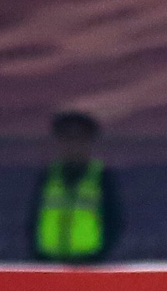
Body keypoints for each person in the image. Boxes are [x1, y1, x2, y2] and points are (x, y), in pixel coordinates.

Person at [29, 110, 124, 263]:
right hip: (49, 262)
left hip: (88, 262)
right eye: (67, 138)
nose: (73, 145)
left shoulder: (100, 177)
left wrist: (99, 256)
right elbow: (34, 218)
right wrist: (37, 254)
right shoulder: (49, 176)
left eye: (79, 139)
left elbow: (114, 220)